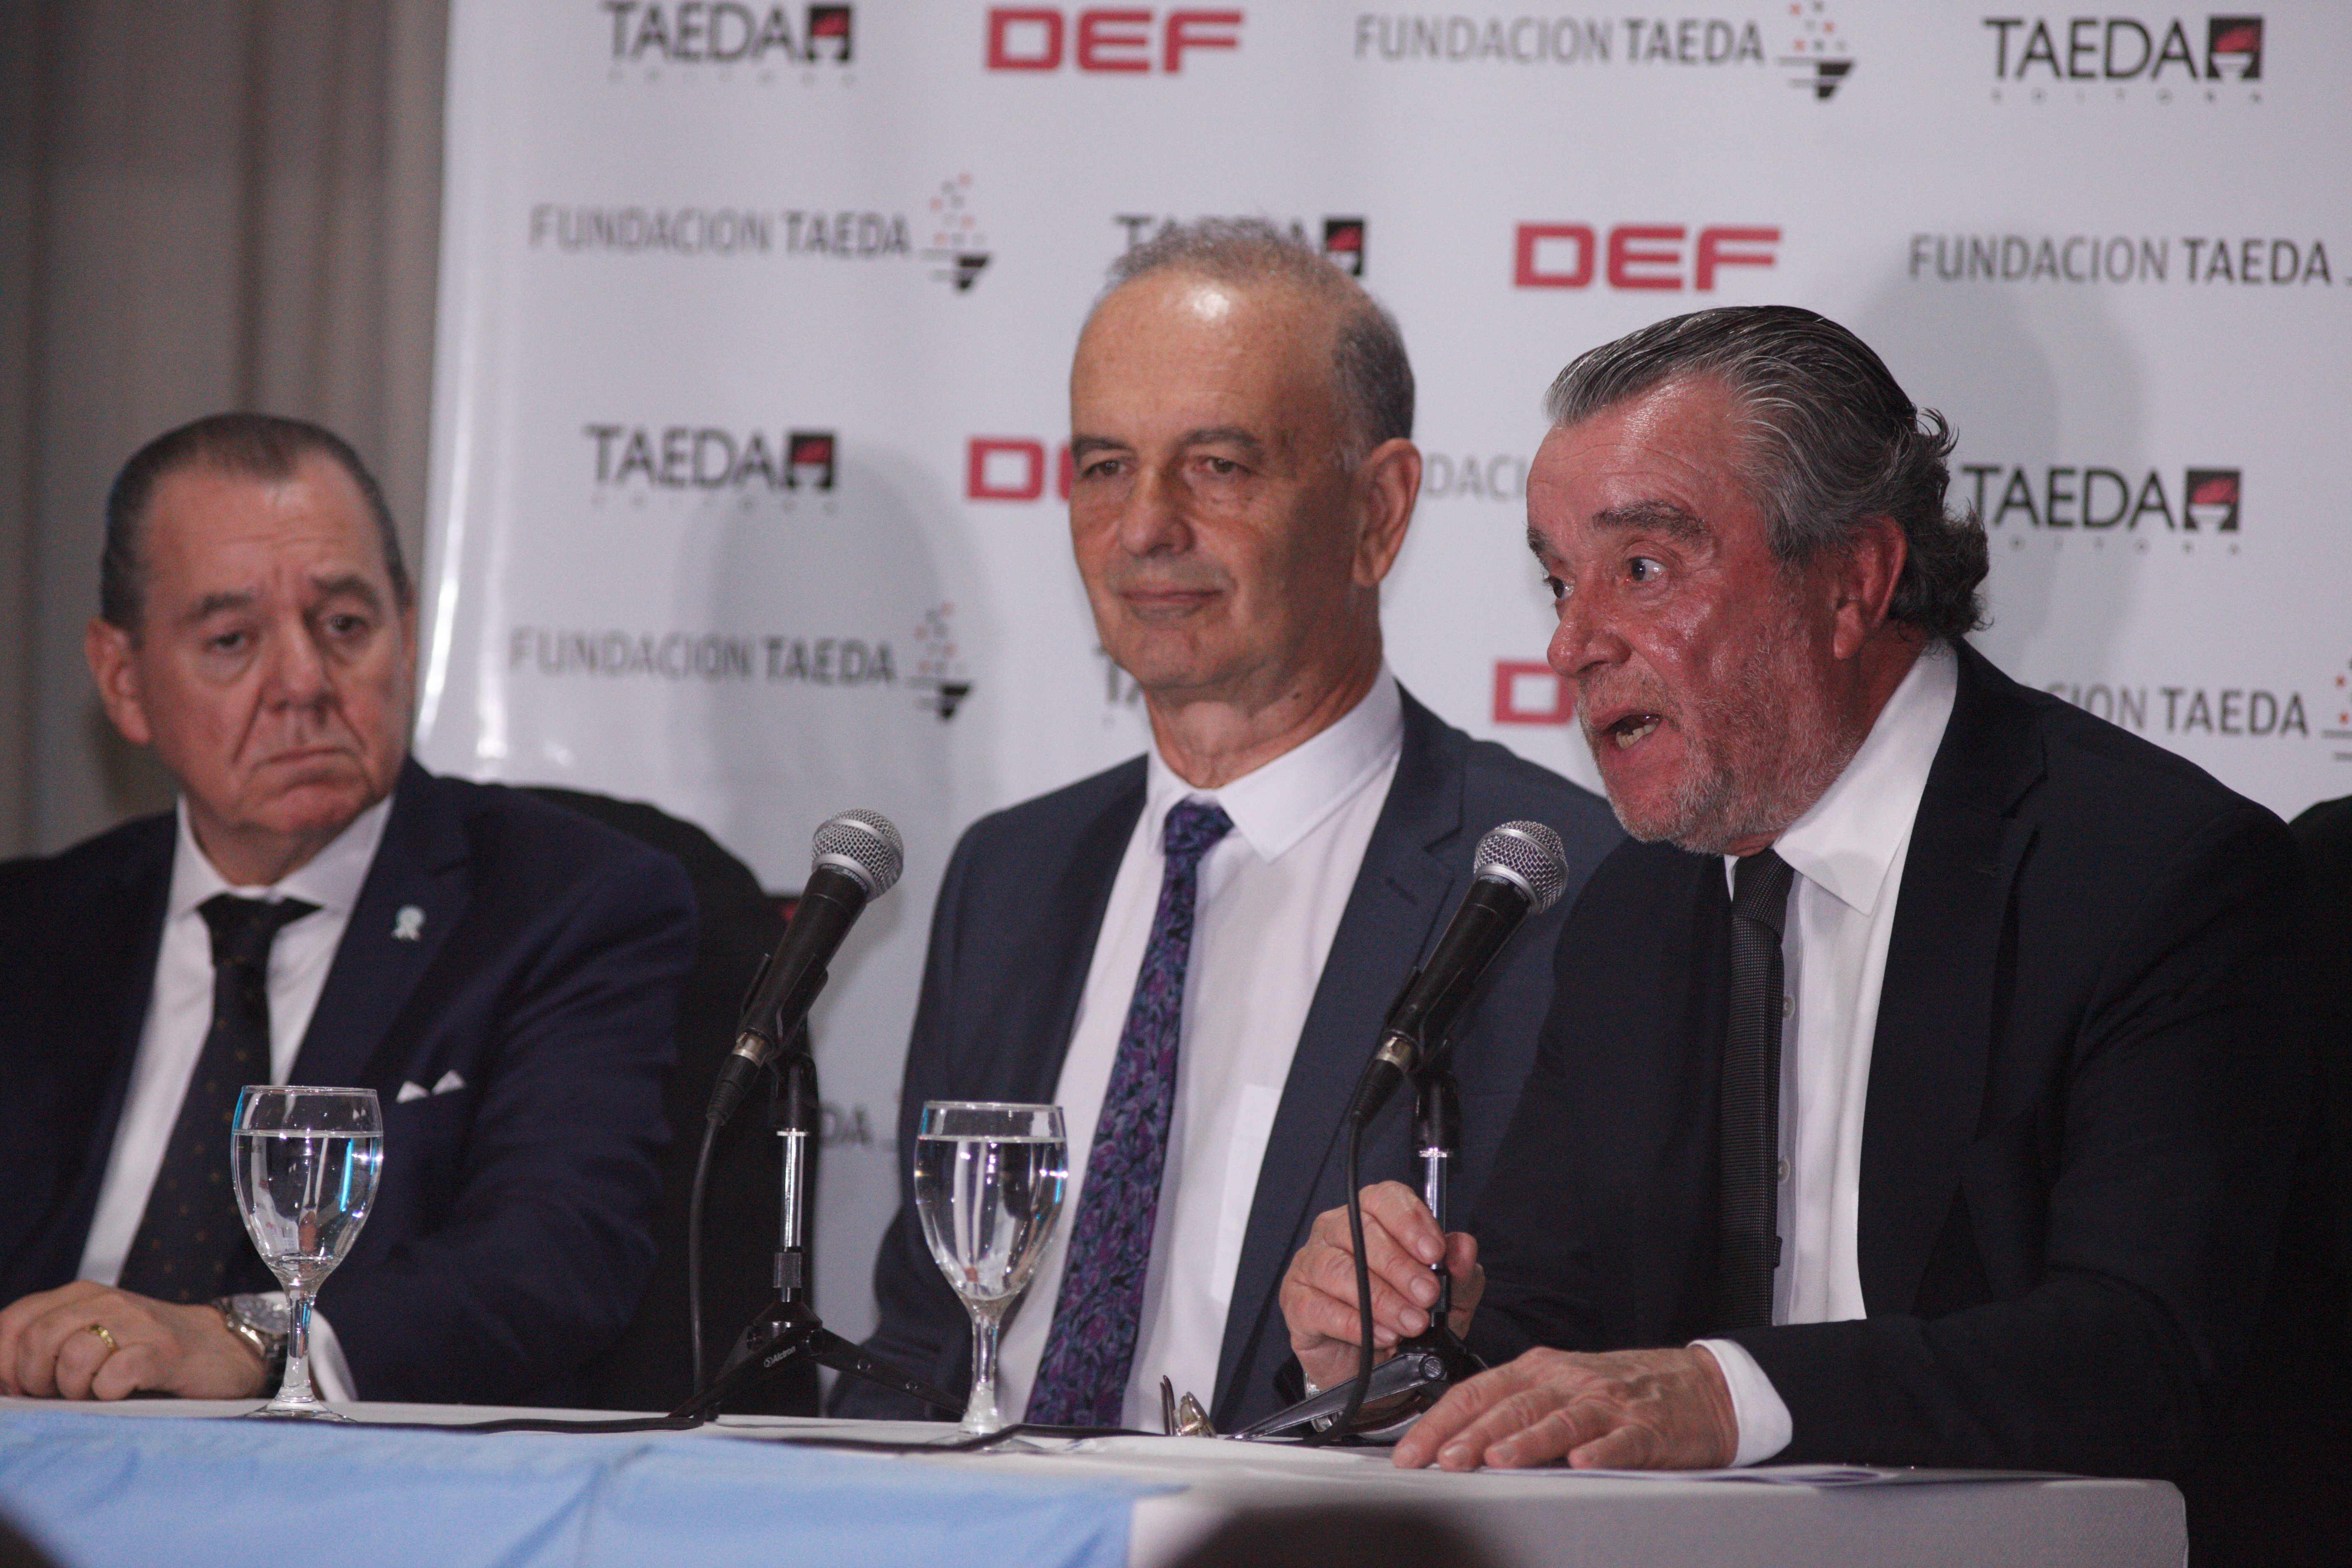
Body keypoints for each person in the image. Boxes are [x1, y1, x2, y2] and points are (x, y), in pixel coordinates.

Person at [1280, 306, 2326, 1516]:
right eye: (1560, 582)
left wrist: (1729, 1395)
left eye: (1642, 569)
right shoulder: (1633, 916)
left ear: (1852, 582)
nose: (1571, 644)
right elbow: (1556, 1344)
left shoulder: (2149, 875)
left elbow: (2139, 1353)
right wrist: (1399, 1357)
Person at [839, 220, 1620, 1430]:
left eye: (1217, 465)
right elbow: (921, 1337)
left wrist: (1370, 1370)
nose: (1144, 527)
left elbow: (1592, 1358)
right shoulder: (1010, 876)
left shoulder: (1554, 891)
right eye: (1106, 466)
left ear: (1377, 512)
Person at [0, 413, 696, 1406]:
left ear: (406, 634)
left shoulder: (565, 904)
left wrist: (252, 1340)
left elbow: (555, 1254)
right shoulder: (31, 933)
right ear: (124, 679)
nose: (303, 683)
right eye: (233, 640)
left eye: (344, 627)